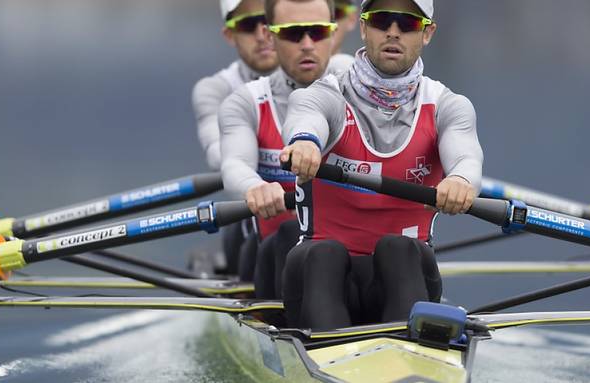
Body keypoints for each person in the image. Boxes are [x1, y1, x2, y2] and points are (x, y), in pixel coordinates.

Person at [279, 0, 484, 329]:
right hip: (320, 278)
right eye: (381, 20)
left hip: (404, 276)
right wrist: (305, 142)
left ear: (427, 33)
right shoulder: (327, 94)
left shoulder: (449, 106)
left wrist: (460, 179)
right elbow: (306, 115)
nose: (393, 32)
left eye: (407, 23)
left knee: (399, 249)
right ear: (363, 28)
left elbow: (466, 156)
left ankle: (408, 363)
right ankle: (335, 355)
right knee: (324, 254)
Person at [219, 0, 351, 297]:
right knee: (292, 234)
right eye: (293, 34)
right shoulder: (245, 102)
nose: (307, 45)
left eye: (317, 33)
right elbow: (233, 166)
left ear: (332, 33)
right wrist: (255, 186)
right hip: (275, 255)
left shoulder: (360, 89)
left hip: (353, 256)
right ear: (270, 35)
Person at [191, 0, 279, 277]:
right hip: (251, 223)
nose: (262, 33)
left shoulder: (323, 74)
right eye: (248, 25)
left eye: (269, 20)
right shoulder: (215, 89)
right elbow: (221, 156)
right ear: (230, 35)